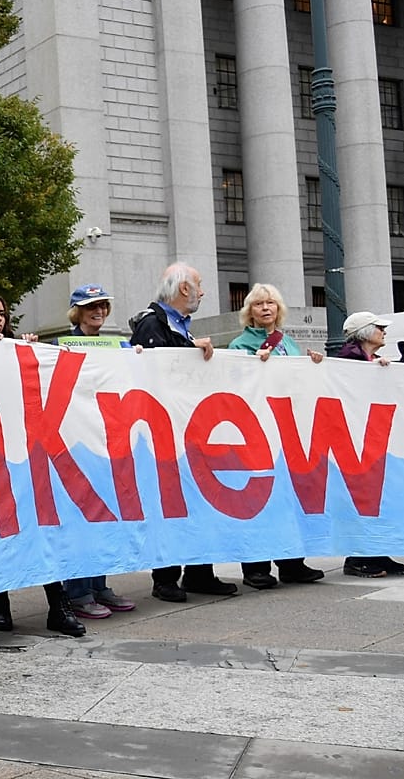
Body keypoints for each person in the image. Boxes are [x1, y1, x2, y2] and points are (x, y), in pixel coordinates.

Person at [0, 293, 85, 637]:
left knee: (40, 528)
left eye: (2, 312)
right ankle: (0, 606)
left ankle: (58, 606)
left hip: (23, 454)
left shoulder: (15, 349)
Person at [129, 263, 236, 602]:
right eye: (200, 285)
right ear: (184, 289)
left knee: (196, 501)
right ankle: (165, 579)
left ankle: (200, 571)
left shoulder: (176, 325)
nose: (203, 293)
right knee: (171, 505)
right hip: (165, 434)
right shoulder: (152, 322)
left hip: (186, 432)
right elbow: (156, 373)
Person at [226, 283, 327, 590]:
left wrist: (314, 366)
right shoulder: (239, 345)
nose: (266, 308)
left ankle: (291, 563)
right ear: (250, 312)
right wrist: (254, 366)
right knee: (258, 499)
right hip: (257, 432)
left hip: (288, 431)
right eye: (259, 304)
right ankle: (255, 567)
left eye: (271, 303)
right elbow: (233, 385)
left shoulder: (289, 344)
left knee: (289, 498)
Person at [56, 285, 137, 618]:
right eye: (92, 307)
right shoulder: (62, 346)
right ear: (77, 311)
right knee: (80, 517)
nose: (99, 311)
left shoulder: (121, 346)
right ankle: (77, 591)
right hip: (76, 440)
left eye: (103, 305)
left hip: (108, 439)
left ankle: (98, 585)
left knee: (104, 515)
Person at [329, 311, 404, 578]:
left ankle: (377, 552)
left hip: (374, 439)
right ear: (364, 332)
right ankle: (358, 558)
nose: (383, 332)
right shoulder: (348, 360)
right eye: (378, 328)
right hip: (356, 441)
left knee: (378, 498)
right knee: (363, 498)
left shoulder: (371, 360)